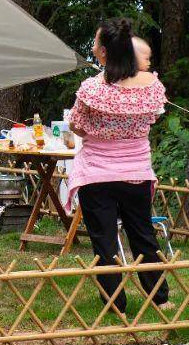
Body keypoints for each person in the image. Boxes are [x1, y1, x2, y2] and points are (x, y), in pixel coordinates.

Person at [68, 18, 170, 313]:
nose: (92, 46)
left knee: (105, 241)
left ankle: (115, 303)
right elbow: (153, 118)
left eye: (95, 43)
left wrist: (101, 133)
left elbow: (77, 126)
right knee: (142, 235)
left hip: (97, 174)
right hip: (136, 171)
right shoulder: (151, 86)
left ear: (103, 53)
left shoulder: (91, 89)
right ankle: (159, 298)